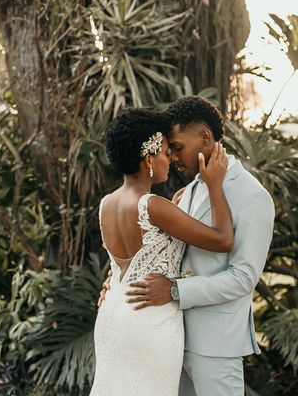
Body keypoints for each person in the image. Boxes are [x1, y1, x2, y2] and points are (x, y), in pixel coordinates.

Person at [110, 96, 276, 395]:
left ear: (204, 137)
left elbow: (243, 278)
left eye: (177, 148)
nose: (171, 157)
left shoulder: (253, 196)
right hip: (169, 339)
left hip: (215, 346)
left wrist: (175, 290)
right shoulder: (190, 189)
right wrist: (117, 281)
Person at [90, 107, 234, 396]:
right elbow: (223, 239)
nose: (171, 159)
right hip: (149, 320)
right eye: (167, 153)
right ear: (148, 159)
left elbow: (136, 255)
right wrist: (215, 185)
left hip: (113, 314)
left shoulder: (107, 204)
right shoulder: (153, 206)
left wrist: (175, 207)